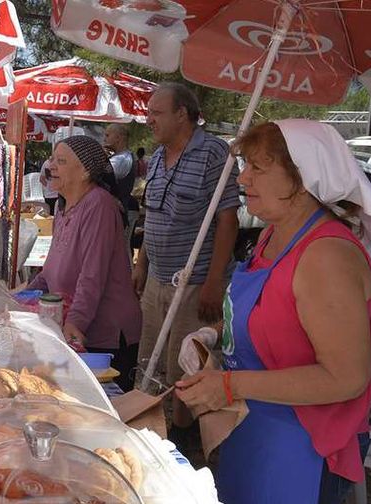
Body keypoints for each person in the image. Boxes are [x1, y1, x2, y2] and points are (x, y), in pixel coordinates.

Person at [176, 120, 371, 504]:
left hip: (305, 445)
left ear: (304, 177)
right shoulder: (273, 235)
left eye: (258, 167)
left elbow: (346, 377)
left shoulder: (327, 256)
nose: (243, 179)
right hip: (255, 429)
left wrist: (229, 386)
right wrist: (215, 335)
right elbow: (270, 312)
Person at [133, 83, 240, 430]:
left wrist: (212, 282)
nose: (149, 120)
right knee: (150, 363)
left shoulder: (213, 153)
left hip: (194, 283)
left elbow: (227, 219)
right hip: (157, 279)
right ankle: (150, 432)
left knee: (186, 370)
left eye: (156, 112)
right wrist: (142, 264)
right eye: (149, 113)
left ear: (183, 114)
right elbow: (153, 215)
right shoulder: (158, 157)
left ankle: (185, 444)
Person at [28, 136, 142, 391]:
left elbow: (92, 275)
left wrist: (75, 323)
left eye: (61, 161)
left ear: (85, 172)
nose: (51, 167)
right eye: (52, 159)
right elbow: (49, 272)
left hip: (106, 335)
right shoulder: (62, 207)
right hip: (74, 328)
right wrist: (19, 296)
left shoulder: (99, 205)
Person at [104, 123, 139, 240]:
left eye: (108, 135)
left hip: (119, 212)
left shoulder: (121, 159)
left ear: (118, 137)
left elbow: (98, 176)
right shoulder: (119, 157)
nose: (105, 138)